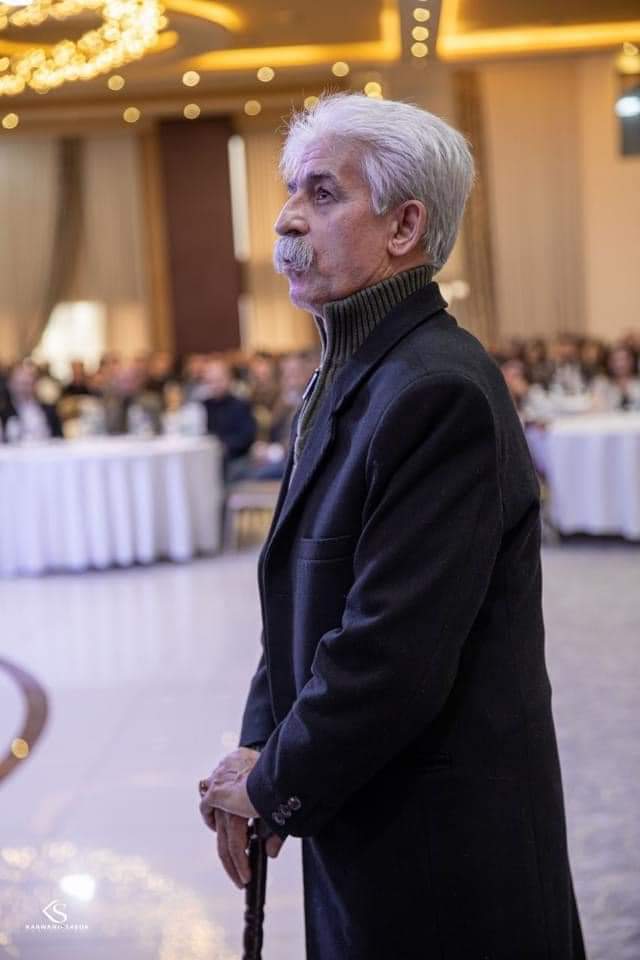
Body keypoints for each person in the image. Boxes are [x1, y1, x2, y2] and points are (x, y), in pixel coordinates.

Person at [198, 93, 585, 960]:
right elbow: (299, 596)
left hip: (442, 846)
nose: (286, 219)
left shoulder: (436, 388)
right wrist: (259, 748)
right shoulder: (349, 374)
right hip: (364, 803)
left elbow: (391, 654)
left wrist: (276, 781)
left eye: (322, 193)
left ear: (405, 226)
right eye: (291, 190)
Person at [200, 357, 257, 476]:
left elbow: (247, 437)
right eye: (210, 381)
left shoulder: (240, 405)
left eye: (219, 380)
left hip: (235, 460)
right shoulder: (202, 407)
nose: (215, 385)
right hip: (207, 459)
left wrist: (223, 446)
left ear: (229, 379)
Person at [0, 361, 63, 442]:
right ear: (10, 384)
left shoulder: (49, 410)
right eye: (20, 384)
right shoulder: (4, 412)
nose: (24, 389)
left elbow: (59, 438)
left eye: (28, 383)